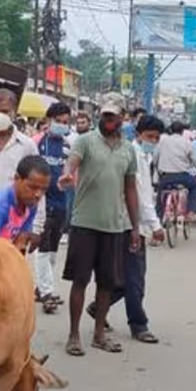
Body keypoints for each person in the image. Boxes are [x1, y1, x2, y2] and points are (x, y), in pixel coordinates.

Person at [57, 92, 141, 357]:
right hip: (84, 222)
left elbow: (130, 190)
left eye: (112, 116)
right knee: (80, 281)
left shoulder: (129, 150)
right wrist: (67, 175)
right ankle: (73, 335)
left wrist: (135, 228)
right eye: (104, 115)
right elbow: (72, 163)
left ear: (122, 118)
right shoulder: (85, 141)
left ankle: (98, 335)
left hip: (114, 226)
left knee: (106, 283)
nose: (107, 120)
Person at [87, 114, 166, 343]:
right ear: (139, 134)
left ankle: (99, 306)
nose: (153, 140)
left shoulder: (142, 155)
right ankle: (139, 325)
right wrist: (156, 226)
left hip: (123, 223)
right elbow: (142, 197)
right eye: (150, 136)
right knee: (135, 278)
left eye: (156, 137)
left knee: (122, 277)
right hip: (129, 224)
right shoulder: (134, 155)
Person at [33, 103, 72, 311]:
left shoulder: (67, 145)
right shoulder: (38, 143)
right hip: (43, 203)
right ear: (48, 120)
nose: (62, 125)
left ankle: (41, 288)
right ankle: (46, 292)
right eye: (59, 121)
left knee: (54, 251)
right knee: (43, 247)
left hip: (61, 203)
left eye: (66, 122)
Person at [0, 111, 39, 197]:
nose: (0, 116)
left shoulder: (27, 146)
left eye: (5, 111)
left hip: (14, 208)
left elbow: (35, 181)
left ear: (14, 111)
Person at [154, 120, 196, 219]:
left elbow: (155, 157)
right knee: (194, 186)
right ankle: (191, 211)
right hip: (183, 177)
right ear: (182, 131)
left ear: (171, 130)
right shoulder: (187, 142)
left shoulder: (163, 141)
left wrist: (157, 168)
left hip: (166, 177)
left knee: (160, 196)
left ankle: (158, 217)